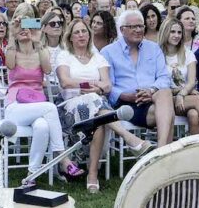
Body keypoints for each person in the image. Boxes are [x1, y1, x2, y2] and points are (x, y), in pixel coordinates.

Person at [57, 17, 152, 191]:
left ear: (89, 34)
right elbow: (65, 82)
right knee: (97, 102)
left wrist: (97, 89)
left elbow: (107, 85)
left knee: (99, 121)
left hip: (95, 104)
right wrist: (91, 86)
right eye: (76, 32)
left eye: (84, 31)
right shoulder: (64, 55)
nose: (81, 35)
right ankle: (129, 138)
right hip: (70, 106)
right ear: (70, 37)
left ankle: (92, 175)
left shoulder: (97, 57)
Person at [4, 11, 83, 185]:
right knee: (50, 108)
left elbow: (47, 70)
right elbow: (9, 65)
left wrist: (37, 40)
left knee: (42, 127)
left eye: (29, 26)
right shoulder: (12, 50)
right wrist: (12, 33)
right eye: (22, 27)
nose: (25, 30)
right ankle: (63, 159)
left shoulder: (41, 51)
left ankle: (31, 175)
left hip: (36, 106)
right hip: (15, 106)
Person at [100, 9, 176, 145]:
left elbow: (164, 77)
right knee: (168, 112)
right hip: (125, 103)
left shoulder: (153, 48)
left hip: (152, 98)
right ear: (122, 29)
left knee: (165, 92)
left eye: (141, 26)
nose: (138, 30)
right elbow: (108, 87)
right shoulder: (108, 52)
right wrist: (126, 96)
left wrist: (151, 90)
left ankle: (160, 149)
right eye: (133, 27)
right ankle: (163, 153)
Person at [158, 15, 199, 134]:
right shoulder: (157, 54)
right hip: (165, 99)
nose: (176, 35)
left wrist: (182, 94)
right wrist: (181, 92)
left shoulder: (188, 54)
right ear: (165, 32)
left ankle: (194, 149)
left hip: (184, 97)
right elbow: (159, 84)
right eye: (172, 31)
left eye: (179, 32)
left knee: (193, 115)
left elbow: (191, 82)